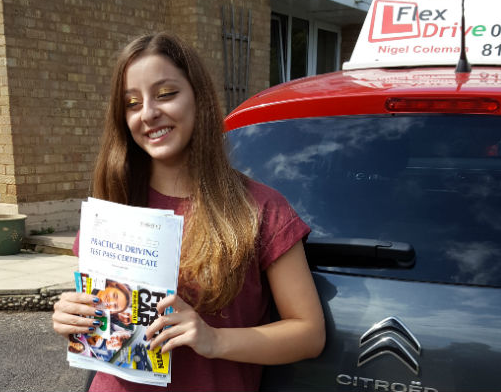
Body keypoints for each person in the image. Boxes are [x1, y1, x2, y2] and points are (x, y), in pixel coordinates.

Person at [52, 32, 325, 392]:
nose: (148, 113)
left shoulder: (261, 208)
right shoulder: (113, 205)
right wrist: (72, 315)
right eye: (132, 103)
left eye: (166, 94)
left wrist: (214, 340)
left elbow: (308, 333)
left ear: (199, 98)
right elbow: (104, 322)